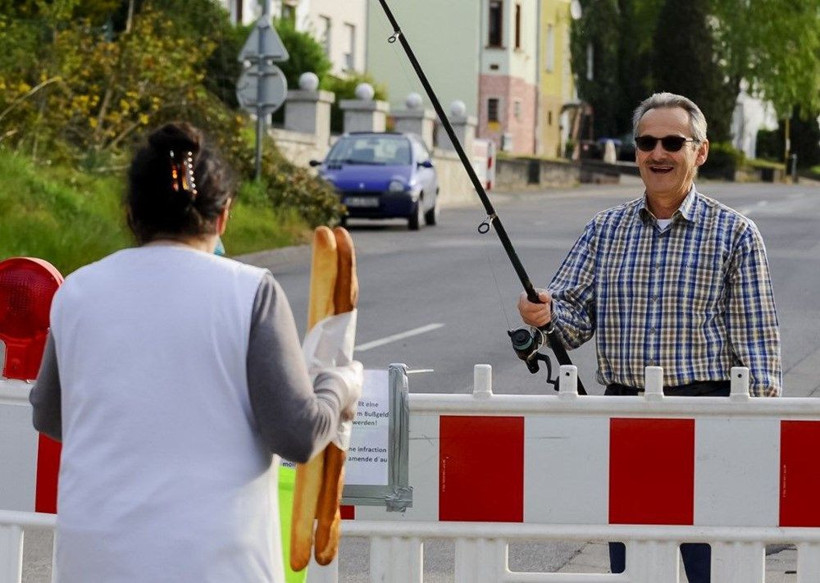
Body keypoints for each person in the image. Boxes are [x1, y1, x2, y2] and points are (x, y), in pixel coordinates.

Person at [29, 122, 362, 583]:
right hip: (216, 563)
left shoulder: (77, 292)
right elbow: (297, 435)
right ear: (223, 215)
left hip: (94, 561)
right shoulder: (251, 293)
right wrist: (340, 384)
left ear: (131, 213)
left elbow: (49, 415)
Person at [518, 92, 781, 582]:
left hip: (709, 423)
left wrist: (757, 438)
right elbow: (570, 320)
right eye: (646, 142)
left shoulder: (737, 235)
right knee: (635, 568)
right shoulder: (605, 230)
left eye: (672, 142)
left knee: (714, 569)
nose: (657, 153)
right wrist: (544, 312)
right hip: (626, 421)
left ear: (699, 151)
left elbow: (759, 355)